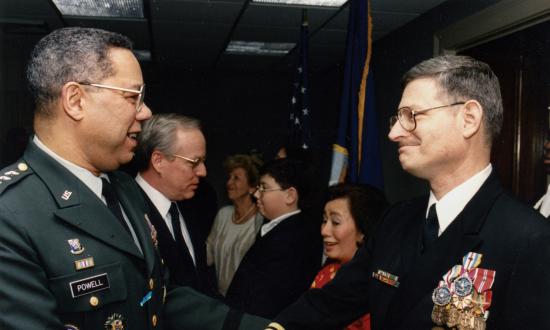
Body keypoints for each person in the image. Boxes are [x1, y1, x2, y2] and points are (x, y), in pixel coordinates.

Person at [0, 27, 267, 330]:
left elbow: (157, 296)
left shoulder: (124, 189)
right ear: (75, 101)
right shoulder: (9, 215)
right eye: (132, 97)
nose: (145, 112)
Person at [268, 55, 550, 330]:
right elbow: (332, 303)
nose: (394, 133)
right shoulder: (395, 220)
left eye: (411, 116)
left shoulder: (529, 238)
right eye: (398, 118)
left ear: (469, 119)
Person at [225, 158, 322, 318]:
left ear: (290, 196)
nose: (256, 194)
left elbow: (265, 302)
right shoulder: (284, 229)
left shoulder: (293, 239)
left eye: (264, 188)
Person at [134, 113, 216, 294]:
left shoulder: (193, 204)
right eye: (194, 162)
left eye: (203, 162)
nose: (203, 172)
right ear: (158, 161)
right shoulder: (126, 211)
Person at [311, 183, 387, 330]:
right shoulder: (327, 272)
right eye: (324, 221)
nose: (324, 231)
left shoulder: (377, 283)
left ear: (363, 230)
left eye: (335, 222)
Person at [206, 154, 264, 296]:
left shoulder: (261, 220)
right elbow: (208, 256)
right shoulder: (223, 214)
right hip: (221, 298)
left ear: (252, 187)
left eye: (236, 178)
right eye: (229, 177)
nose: (229, 183)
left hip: (248, 299)